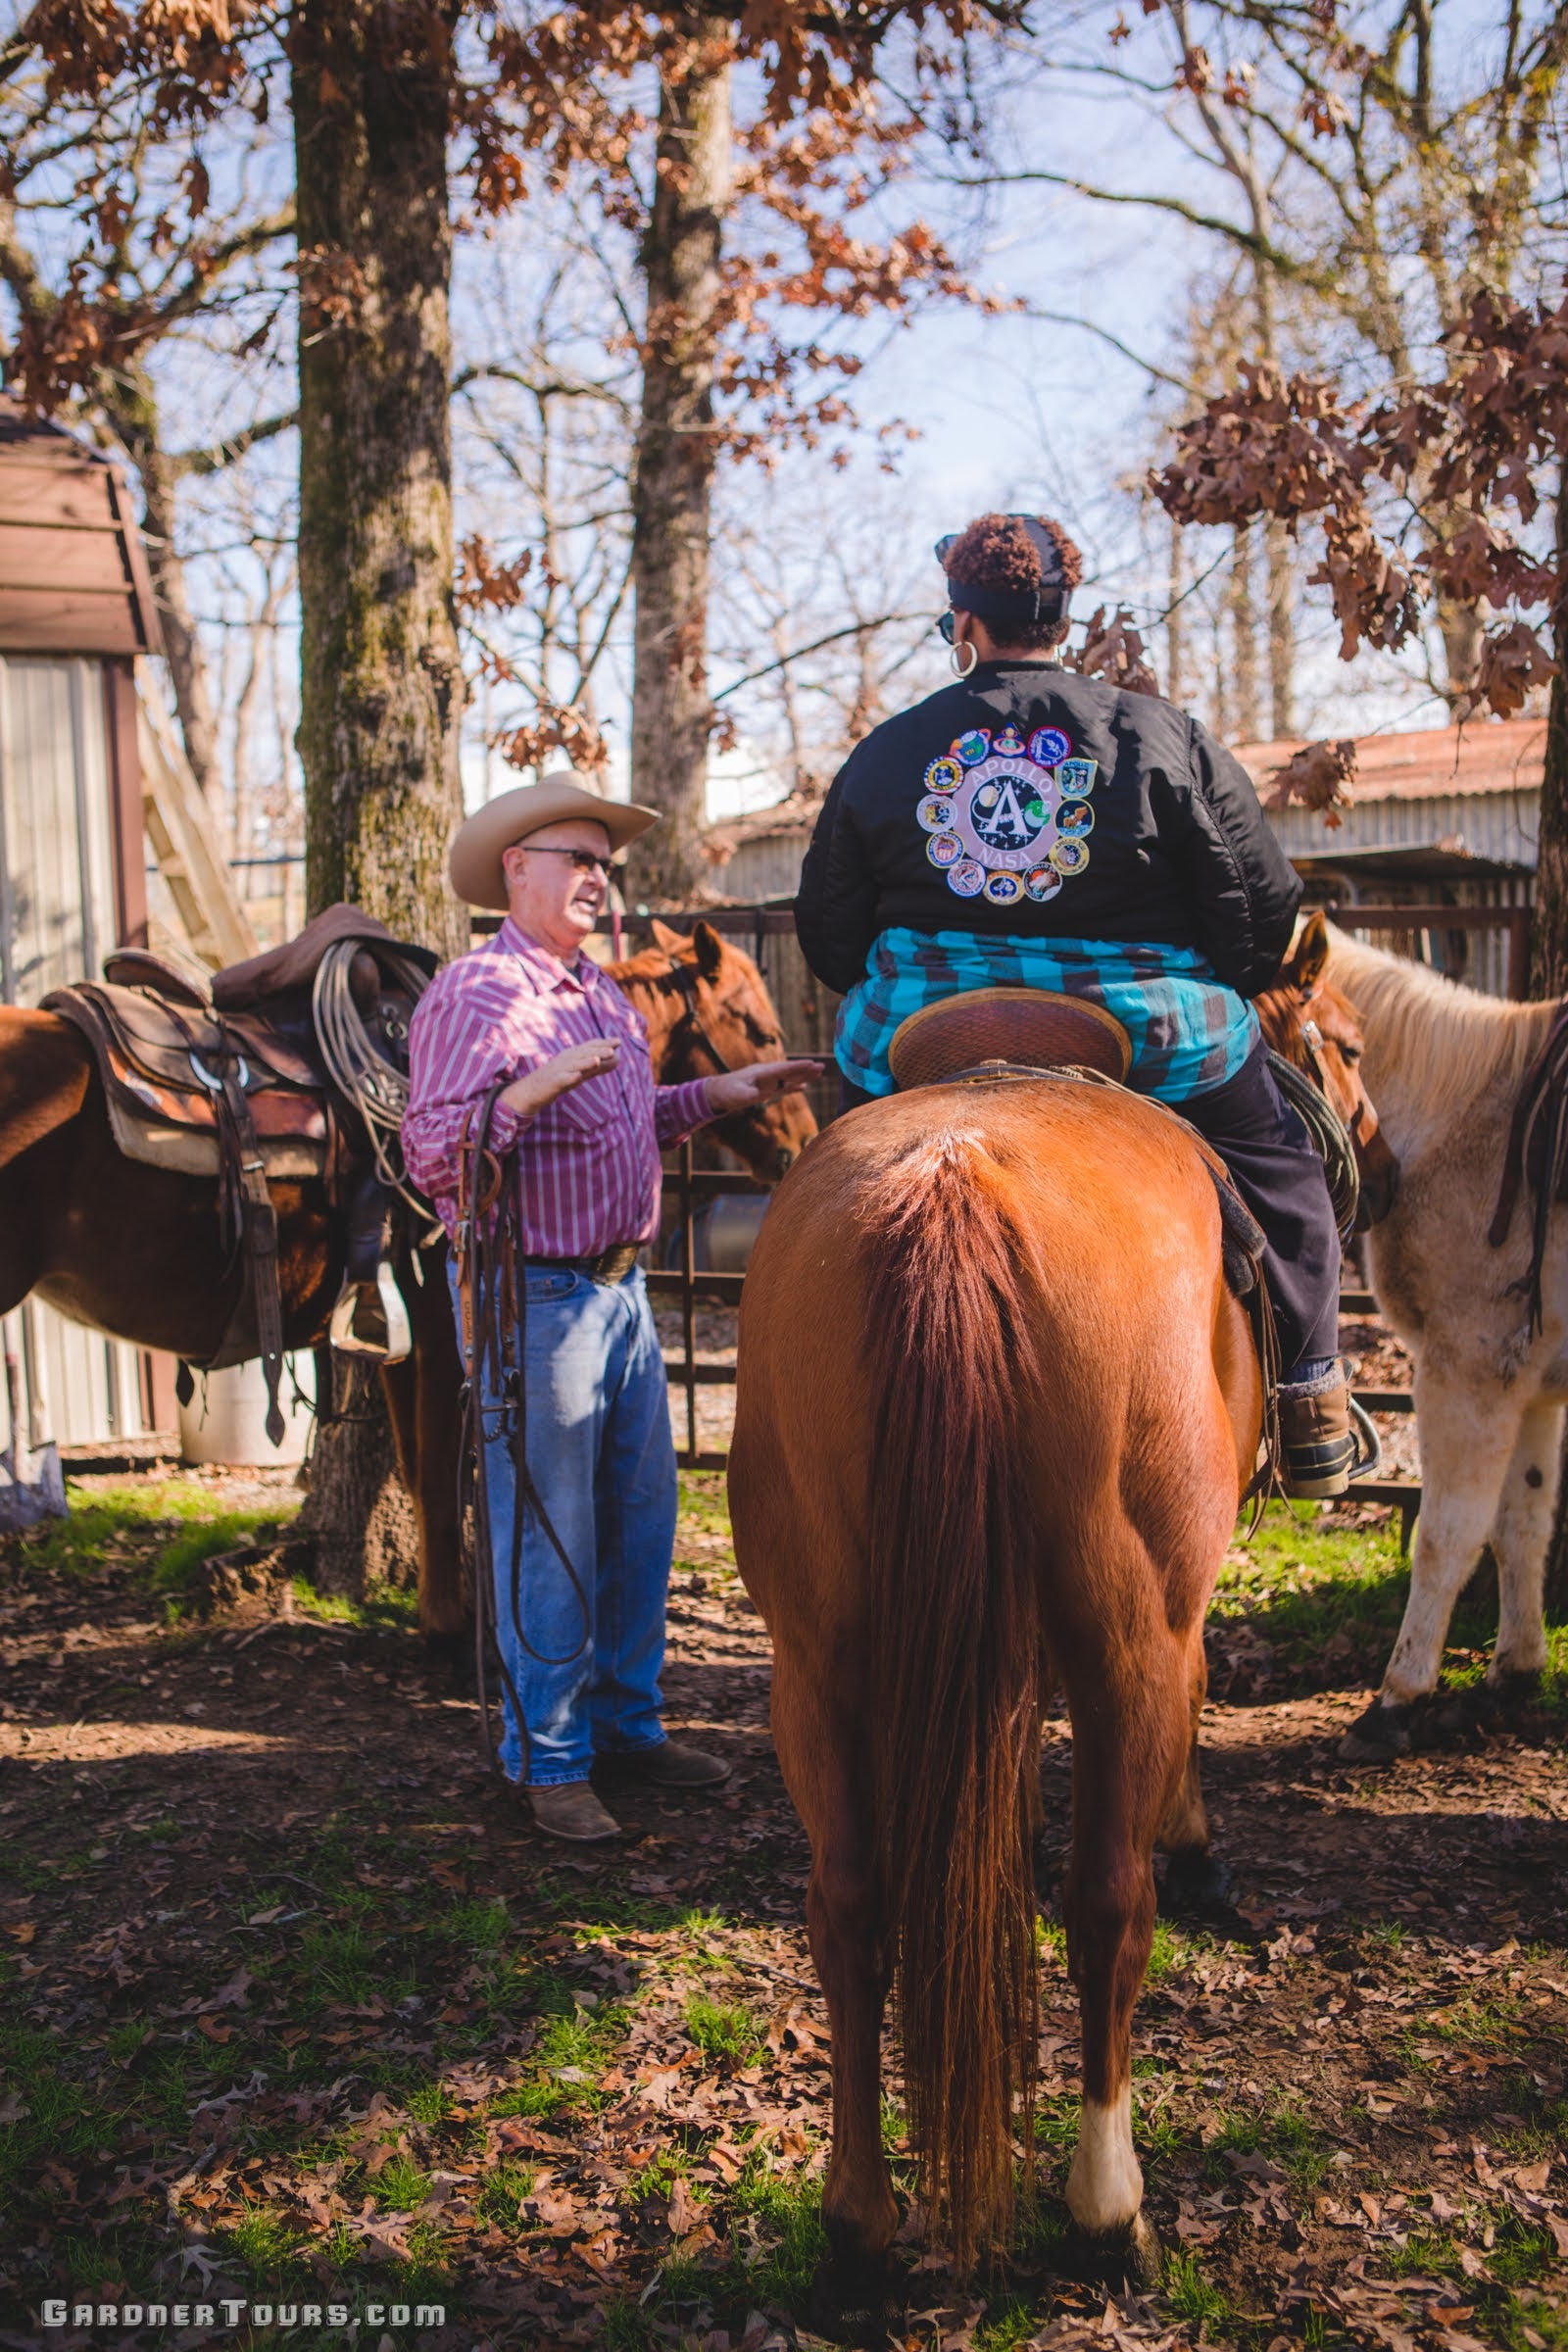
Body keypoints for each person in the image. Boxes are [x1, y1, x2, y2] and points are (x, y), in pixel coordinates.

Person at [793, 511, 1352, 1497]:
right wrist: (1213, 959)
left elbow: (831, 938)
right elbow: (1260, 916)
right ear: (1063, 616)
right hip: (1142, 1029)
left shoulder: (887, 752)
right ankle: (1311, 1400)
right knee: (1285, 1166)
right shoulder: (1156, 732)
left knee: (828, 1189)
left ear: (963, 622)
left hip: (928, 1024)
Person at [404, 774, 820, 1843]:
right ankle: (545, 1756)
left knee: (640, 1521)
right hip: (534, 1292)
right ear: (517, 874)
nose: (597, 878)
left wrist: (721, 1095)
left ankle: (626, 1724)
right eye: (576, 860)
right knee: (553, 1529)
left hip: (620, 1289)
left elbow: (627, 1122)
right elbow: (432, 1155)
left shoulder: (591, 992)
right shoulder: (478, 993)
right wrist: (527, 1093)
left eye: (603, 863)